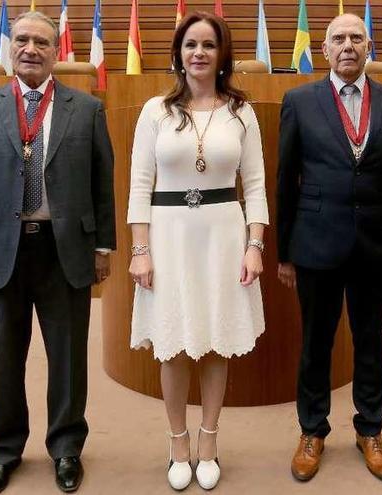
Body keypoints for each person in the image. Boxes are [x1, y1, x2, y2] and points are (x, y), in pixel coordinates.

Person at [0, 11, 115, 495]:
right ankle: (4, 451)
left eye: (41, 42)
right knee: (4, 357)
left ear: (55, 52)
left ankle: (66, 449)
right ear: (10, 48)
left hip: (64, 250)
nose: (30, 48)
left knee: (68, 358)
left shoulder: (86, 109)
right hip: (1, 251)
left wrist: (103, 245)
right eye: (21, 39)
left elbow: (102, 186)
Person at [126, 11, 269, 491]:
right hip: (167, 236)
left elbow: (256, 186)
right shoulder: (155, 111)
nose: (199, 53)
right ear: (178, 52)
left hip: (224, 235)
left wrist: (255, 245)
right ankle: (177, 441)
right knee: (172, 345)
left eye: (209, 44)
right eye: (191, 44)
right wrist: (139, 249)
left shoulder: (240, 111)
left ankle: (209, 439)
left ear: (222, 53)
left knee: (214, 340)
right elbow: (139, 186)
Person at [276, 13, 382, 484]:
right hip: (316, 245)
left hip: (376, 246)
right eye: (338, 38)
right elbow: (286, 181)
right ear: (325, 49)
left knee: (370, 342)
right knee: (315, 343)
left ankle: (370, 430)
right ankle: (312, 431)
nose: (348, 45)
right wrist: (284, 252)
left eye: (357, 37)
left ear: (370, 46)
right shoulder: (299, 101)